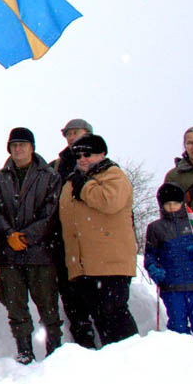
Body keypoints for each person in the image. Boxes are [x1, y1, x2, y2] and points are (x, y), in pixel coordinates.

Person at [0, 127, 63, 362]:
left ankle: (55, 349)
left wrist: (27, 236)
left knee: (48, 307)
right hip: (10, 255)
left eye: (23, 145)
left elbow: (51, 213)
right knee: (16, 307)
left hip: (41, 254)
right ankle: (24, 350)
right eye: (14, 145)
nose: (18, 149)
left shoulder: (49, 176)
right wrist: (10, 234)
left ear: (32, 148)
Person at [58, 133, 139, 347]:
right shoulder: (72, 180)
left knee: (116, 315)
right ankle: (114, 361)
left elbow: (109, 201)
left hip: (111, 263)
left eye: (88, 154)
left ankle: (134, 358)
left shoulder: (113, 175)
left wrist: (83, 186)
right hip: (86, 265)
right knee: (101, 318)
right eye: (79, 155)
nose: (83, 159)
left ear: (102, 154)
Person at [48, 117, 97, 348]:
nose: (71, 137)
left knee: (98, 296)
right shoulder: (57, 165)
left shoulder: (102, 163)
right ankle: (82, 340)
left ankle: (113, 351)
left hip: (94, 239)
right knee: (70, 294)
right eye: (68, 134)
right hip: (64, 239)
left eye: (76, 132)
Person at [146, 183, 193, 343]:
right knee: (178, 327)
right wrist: (153, 268)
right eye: (167, 204)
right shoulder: (156, 228)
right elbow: (150, 255)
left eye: (175, 203)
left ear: (182, 203)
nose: (172, 207)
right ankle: (181, 359)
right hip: (172, 286)